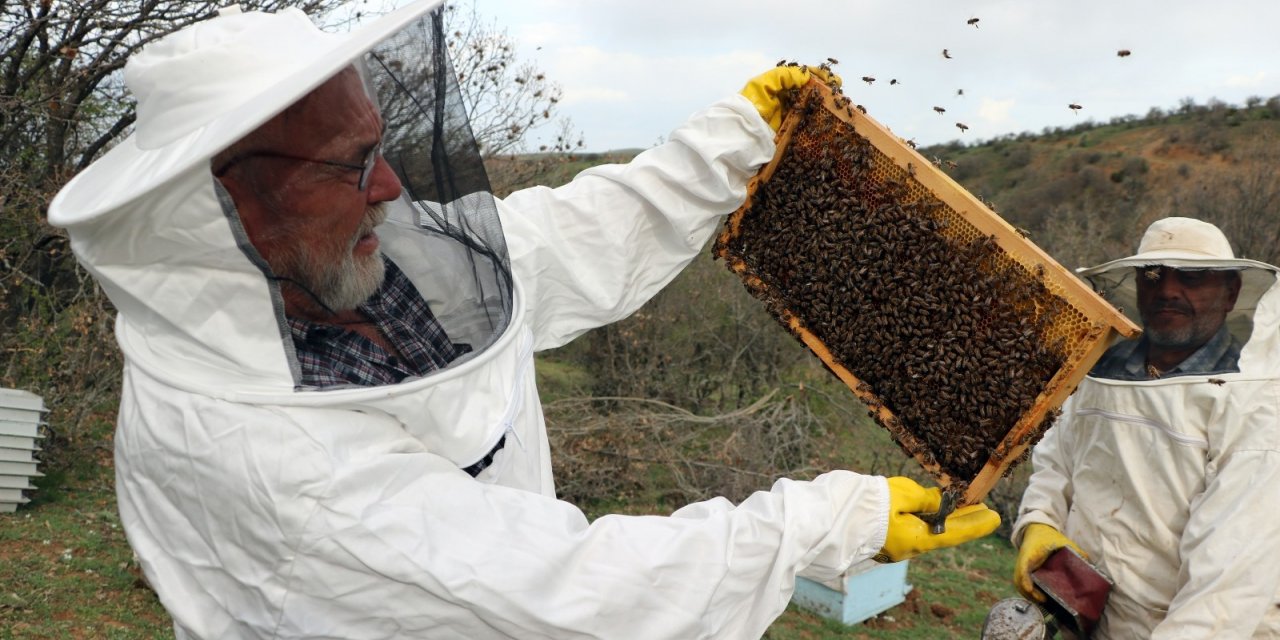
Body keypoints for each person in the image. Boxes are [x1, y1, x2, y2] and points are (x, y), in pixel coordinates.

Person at [49, 2, 999, 638]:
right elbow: (555, 593)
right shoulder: (250, 455)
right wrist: (815, 525)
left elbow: (559, 241)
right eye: (346, 166)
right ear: (227, 208)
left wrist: (730, 143)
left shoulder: (345, 257)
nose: (388, 190)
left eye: (380, 150)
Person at [1012, 217, 1280, 638]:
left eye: (1192, 277)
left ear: (1231, 292)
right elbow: (1056, 460)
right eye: (1153, 275)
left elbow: (1228, 587)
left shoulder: (1256, 404)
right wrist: (1039, 520)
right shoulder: (1102, 371)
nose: (1168, 290)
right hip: (1086, 618)